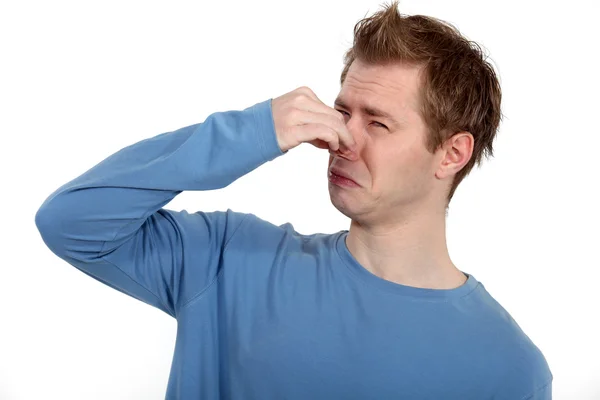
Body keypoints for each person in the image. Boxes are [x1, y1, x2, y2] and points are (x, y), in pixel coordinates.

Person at [35, 1, 552, 398]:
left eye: (377, 122)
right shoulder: (228, 257)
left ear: (452, 153)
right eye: (342, 112)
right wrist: (249, 133)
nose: (343, 139)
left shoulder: (510, 367)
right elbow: (71, 221)